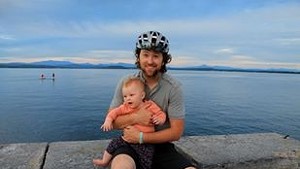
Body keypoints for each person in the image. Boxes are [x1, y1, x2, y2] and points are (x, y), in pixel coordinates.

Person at [108, 31, 197, 169]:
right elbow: (112, 122)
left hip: (160, 146)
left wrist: (142, 137)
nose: (150, 61)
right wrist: (136, 117)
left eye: (156, 56)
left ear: (163, 59)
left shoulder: (174, 88)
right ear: (138, 56)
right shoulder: (126, 83)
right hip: (129, 144)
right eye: (145, 55)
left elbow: (176, 132)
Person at [93, 77, 166, 169]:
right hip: (127, 139)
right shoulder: (125, 107)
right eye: (125, 96)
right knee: (113, 144)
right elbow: (113, 113)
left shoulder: (149, 105)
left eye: (131, 95)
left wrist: (160, 119)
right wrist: (108, 120)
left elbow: (161, 114)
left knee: (146, 158)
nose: (128, 99)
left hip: (145, 141)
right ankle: (105, 161)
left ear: (142, 95)